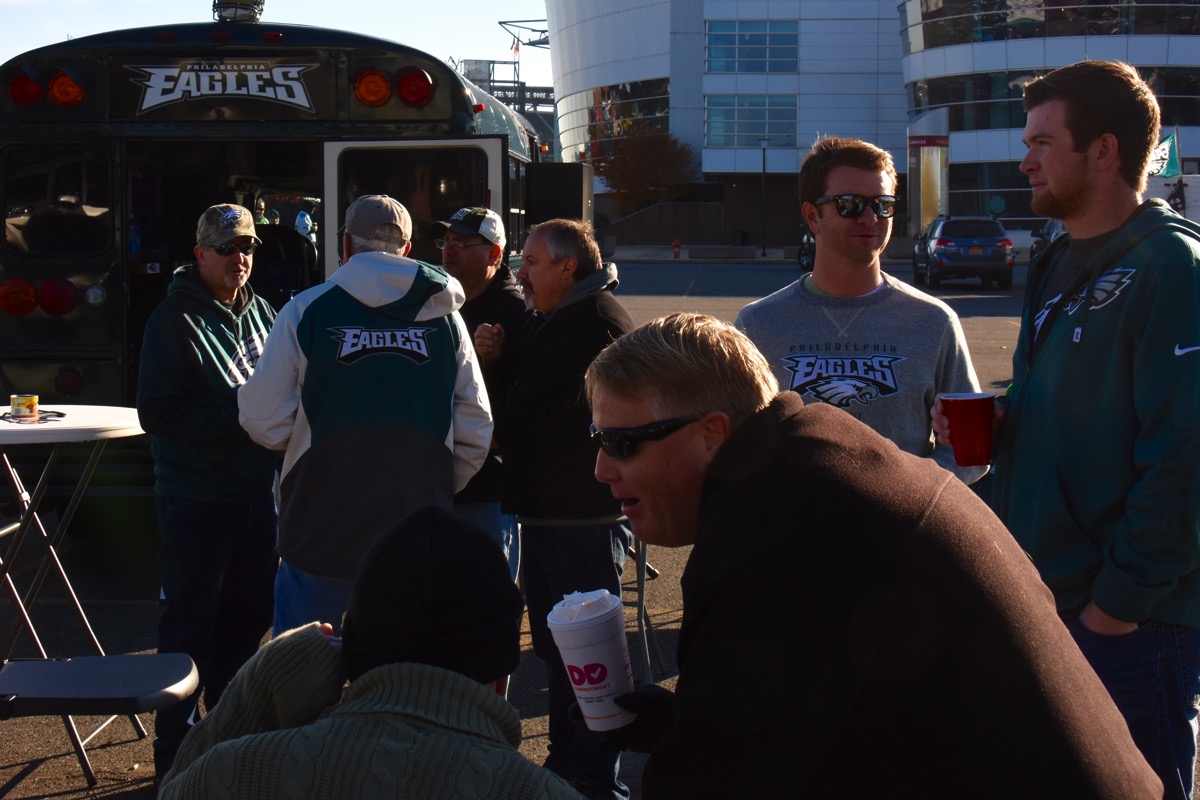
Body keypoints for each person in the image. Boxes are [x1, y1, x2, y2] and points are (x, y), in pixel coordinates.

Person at [585, 312, 1162, 799]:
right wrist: (686, 722)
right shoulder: (818, 457)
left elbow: (709, 783)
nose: (601, 469)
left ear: (712, 434)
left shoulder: (776, 528)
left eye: (621, 443)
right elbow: (823, 711)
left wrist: (693, 742)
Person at [934, 59, 1200, 798]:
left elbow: (1186, 457)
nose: (1025, 161)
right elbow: (1065, 399)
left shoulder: (1173, 267)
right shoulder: (1056, 258)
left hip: (1131, 624)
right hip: (1049, 599)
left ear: (1104, 150)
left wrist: (1116, 610)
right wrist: (1002, 420)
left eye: (1043, 143)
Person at [158, 506, 586, 800]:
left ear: (348, 656)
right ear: (503, 675)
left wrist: (262, 683)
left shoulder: (236, 773)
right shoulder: (541, 792)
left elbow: (178, 788)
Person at [239, 194, 492, 636]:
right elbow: (475, 428)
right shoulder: (446, 318)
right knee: (403, 671)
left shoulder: (306, 310)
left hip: (320, 532)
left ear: (346, 245)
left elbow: (263, 421)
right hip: (416, 533)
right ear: (407, 249)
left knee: (307, 670)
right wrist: (426, 480)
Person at [474, 218, 634, 800]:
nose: (521, 274)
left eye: (533, 263)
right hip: (547, 514)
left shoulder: (600, 324)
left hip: (584, 520)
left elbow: (583, 422)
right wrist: (496, 359)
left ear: (569, 267)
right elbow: (526, 397)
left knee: (590, 660)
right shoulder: (549, 317)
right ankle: (567, 767)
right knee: (558, 652)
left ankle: (594, 780)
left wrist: (503, 433)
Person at [737, 136, 985, 484]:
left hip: (903, 517)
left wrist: (909, 495)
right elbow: (737, 448)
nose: (870, 218)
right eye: (850, 204)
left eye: (882, 204)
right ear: (813, 216)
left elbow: (970, 450)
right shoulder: (757, 325)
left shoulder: (934, 321)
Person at [136, 203, 279, 780]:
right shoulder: (172, 319)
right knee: (190, 626)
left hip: (257, 495)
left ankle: (227, 734)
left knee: (250, 617)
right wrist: (243, 426)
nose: (238, 258)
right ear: (199, 254)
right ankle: (173, 753)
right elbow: (156, 411)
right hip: (195, 497)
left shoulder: (262, 311)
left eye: (247, 247)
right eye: (226, 248)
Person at [429, 206, 530, 580]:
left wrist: (495, 361)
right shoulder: (437, 302)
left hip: (488, 488)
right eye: (446, 240)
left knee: (487, 592)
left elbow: (525, 406)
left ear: (494, 254)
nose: (448, 249)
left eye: (461, 242)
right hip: (434, 479)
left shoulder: (517, 313)